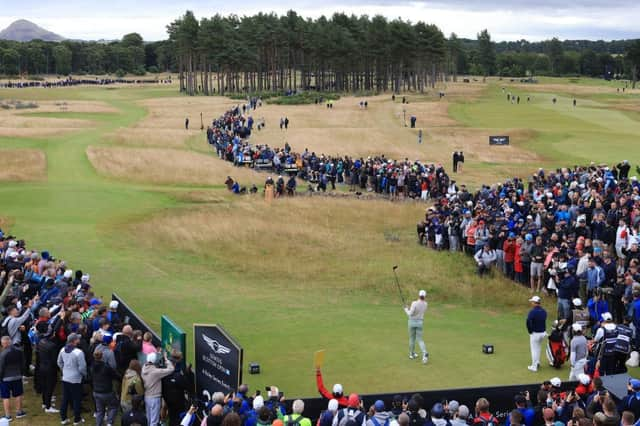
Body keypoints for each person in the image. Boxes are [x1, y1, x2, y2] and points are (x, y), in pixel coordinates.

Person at [57, 333, 87, 425]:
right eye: (78, 339)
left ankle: (63, 418)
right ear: (74, 341)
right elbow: (82, 367)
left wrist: (64, 370)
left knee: (65, 398)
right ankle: (77, 420)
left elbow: (59, 362)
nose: (79, 340)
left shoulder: (62, 349)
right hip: (76, 379)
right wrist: (84, 375)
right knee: (76, 399)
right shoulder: (79, 352)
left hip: (65, 377)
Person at [142, 351, 175, 426]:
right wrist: (166, 359)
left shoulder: (144, 367)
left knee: (149, 418)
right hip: (154, 398)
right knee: (154, 421)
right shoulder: (155, 372)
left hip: (147, 396)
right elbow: (171, 369)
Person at [35, 321, 59, 413]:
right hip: (50, 368)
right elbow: (54, 360)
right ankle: (48, 407)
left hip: (42, 366)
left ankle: (45, 402)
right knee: (49, 386)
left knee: (45, 386)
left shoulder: (41, 341)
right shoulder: (52, 346)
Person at [0, 336, 26, 421]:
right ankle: (19, 412)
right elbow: (23, 363)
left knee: (5, 397)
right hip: (17, 376)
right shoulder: (19, 351)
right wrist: (21, 373)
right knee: (18, 394)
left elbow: (1, 367)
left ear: (4, 343)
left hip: (5, 378)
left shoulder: (3, 354)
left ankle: (8, 416)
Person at [92, 349, 119, 426]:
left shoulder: (92, 366)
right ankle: (109, 423)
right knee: (113, 406)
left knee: (100, 411)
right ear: (102, 356)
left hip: (96, 392)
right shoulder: (106, 367)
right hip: (106, 392)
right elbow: (115, 375)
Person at [404, 290, 429, 364]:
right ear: (425, 296)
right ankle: (424, 352)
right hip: (420, 323)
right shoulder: (426, 304)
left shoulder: (414, 303)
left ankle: (411, 354)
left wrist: (406, 309)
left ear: (418, 295)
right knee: (420, 339)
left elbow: (410, 314)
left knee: (412, 338)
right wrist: (409, 308)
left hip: (412, 322)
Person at [526, 295, 547, 372]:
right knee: (538, 348)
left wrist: (530, 331)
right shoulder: (544, 311)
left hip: (535, 333)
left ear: (535, 303)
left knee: (534, 349)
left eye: (532, 302)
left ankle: (534, 366)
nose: (531, 303)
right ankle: (537, 362)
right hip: (543, 333)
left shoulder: (532, 312)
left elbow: (528, 322)